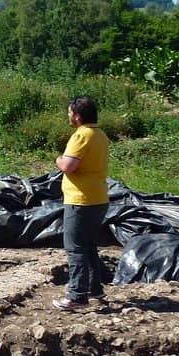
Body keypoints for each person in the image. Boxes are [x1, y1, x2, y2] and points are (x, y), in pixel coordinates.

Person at [52, 96, 111, 311]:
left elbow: (68, 166)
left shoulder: (81, 135)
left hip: (80, 200)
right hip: (99, 199)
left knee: (75, 247)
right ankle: (95, 289)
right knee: (88, 246)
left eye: (69, 112)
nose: (68, 116)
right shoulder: (100, 135)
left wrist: (58, 159)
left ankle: (77, 295)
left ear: (77, 116)